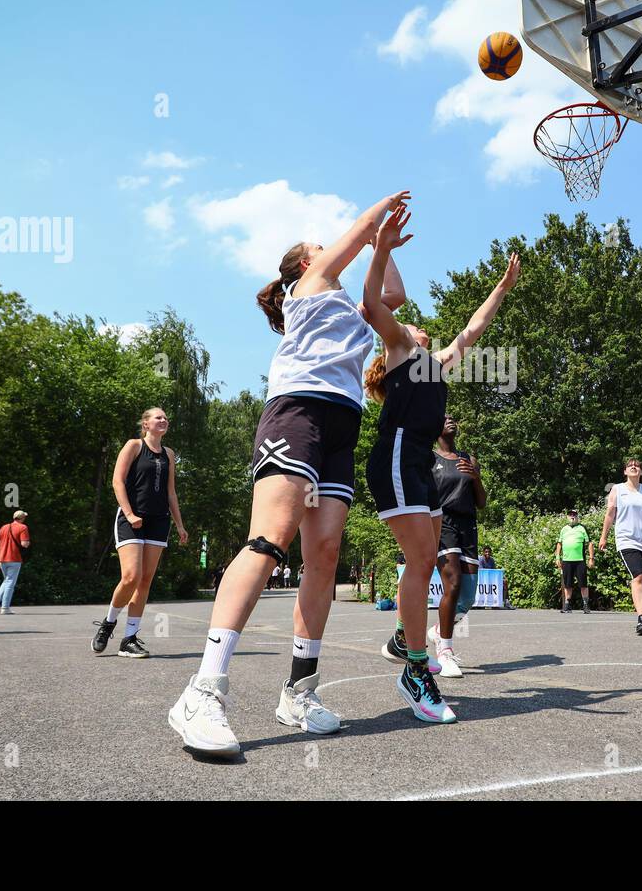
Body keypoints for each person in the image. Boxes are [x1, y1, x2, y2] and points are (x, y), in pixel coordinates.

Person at [167, 189, 411, 756]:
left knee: (323, 554)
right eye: (321, 247)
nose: (330, 249)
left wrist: (385, 246)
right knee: (269, 540)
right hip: (297, 411)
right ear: (306, 263)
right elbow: (357, 230)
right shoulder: (311, 287)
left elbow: (391, 294)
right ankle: (203, 690)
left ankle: (299, 691)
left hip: (343, 421)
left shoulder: (352, 303)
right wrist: (378, 212)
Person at [366, 232, 521, 724]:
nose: (418, 325)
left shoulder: (437, 364)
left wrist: (501, 288)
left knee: (427, 559)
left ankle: (399, 638)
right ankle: (415, 668)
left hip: (418, 467)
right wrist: (381, 249)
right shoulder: (398, 351)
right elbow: (374, 304)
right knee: (419, 561)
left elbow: (474, 330)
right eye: (411, 323)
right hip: (395, 459)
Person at [91, 408, 188, 658]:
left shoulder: (169, 454)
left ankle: (129, 638)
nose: (164, 420)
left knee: (145, 581)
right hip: (131, 519)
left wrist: (179, 524)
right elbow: (117, 481)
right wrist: (130, 513)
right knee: (131, 577)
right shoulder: (134, 446)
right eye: (159, 417)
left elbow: (171, 493)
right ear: (145, 424)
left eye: (166, 417)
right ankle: (109, 622)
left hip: (159, 521)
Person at [427, 413, 486, 678]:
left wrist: (476, 477)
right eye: (444, 418)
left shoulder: (469, 459)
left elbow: (482, 502)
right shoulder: (430, 459)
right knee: (452, 583)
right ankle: (445, 651)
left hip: (468, 526)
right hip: (442, 523)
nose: (451, 420)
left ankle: (439, 630)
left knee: (469, 595)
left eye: (453, 418)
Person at [599, 457, 642, 636]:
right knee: (638, 576)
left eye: (637, 466)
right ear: (625, 471)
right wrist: (603, 537)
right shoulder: (617, 489)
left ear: (641, 472)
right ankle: (641, 619)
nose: (634, 467)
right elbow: (609, 514)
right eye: (630, 466)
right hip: (626, 540)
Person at [555, 508, 594, 614]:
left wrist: (591, 558)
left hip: (580, 560)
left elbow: (589, 543)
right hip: (567, 560)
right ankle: (567, 605)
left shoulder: (582, 528)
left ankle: (585, 605)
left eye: (574, 515)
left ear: (577, 517)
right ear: (567, 517)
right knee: (568, 584)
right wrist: (557, 557)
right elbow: (559, 543)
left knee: (583, 583)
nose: (572, 516)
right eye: (570, 515)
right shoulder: (564, 529)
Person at [0, 510, 31, 614]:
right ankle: (5, 608)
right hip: (14, 558)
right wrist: (28, 543)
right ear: (22, 518)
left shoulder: (4, 527)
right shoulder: (23, 527)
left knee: (6, 581)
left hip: (2, 558)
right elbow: (24, 544)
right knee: (10, 583)